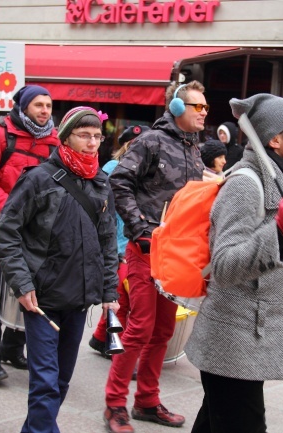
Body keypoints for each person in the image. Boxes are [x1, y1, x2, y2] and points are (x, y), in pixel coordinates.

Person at [185, 93, 283, 433]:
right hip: (233, 341)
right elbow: (225, 265)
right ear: (275, 139)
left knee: (216, 422)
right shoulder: (246, 184)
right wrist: (279, 230)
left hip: (251, 341)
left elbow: (282, 256)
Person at [0, 105, 119, 433]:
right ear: (66, 137)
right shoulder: (38, 178)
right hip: (43, 299)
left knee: (61, 381)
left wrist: (109, 291)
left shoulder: (102, 182)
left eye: (97, 136)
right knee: (46, 384)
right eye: (84, 135)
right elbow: (5, 234)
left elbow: (107, 242)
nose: (93, 142)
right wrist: (22, 284)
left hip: (79, 299)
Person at [104, 81, 207, 433]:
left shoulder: (195, 149)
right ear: (177, 109)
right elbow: (118, 180)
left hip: (176, 255)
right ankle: (115, 404)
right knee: (140, 326)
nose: (204, 112)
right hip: (146, 250)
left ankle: (147, 400)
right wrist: (141, 229)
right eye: (198, 107)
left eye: (206, 107)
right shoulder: (151, 140)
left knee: (163, 328)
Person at [0, 85, 60, 383]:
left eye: (48, 105)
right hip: (0, 229)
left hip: (38, 232)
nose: (45, 110)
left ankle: (12, 347)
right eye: (38, 104)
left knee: (30, 290)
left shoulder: (55, 140)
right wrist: (13, 213)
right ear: (23, 106)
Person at [89, 124, 150, 360]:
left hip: (131, 241)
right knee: (122, 300)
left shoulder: (147, 171)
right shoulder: (113, 168)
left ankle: (101, 338)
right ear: (127, 145)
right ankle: (115, 346)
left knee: (119, 296)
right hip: (115, 243)